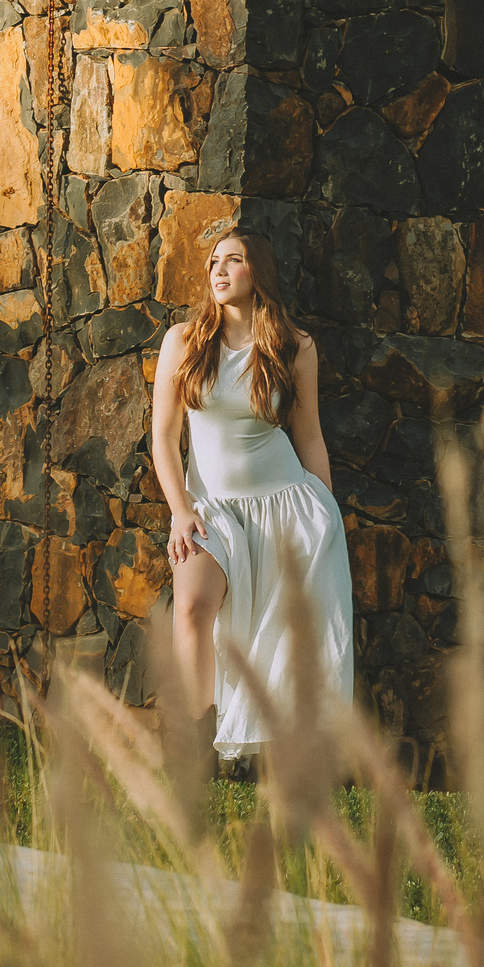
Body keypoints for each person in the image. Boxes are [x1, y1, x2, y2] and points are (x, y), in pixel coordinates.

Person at [151, 231, 353, 770]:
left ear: (257, 272)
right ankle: (191, 762)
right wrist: (180, 509)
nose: (218, 271)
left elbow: (308, 435)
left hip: (286, 506)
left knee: (284, 640)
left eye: (233, 261)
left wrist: (326, 515)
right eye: (213, 261)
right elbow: (163, 438)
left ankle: (274, 767)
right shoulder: (184, 341)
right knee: (192, 606)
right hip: (210, 508)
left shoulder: (294, 346)